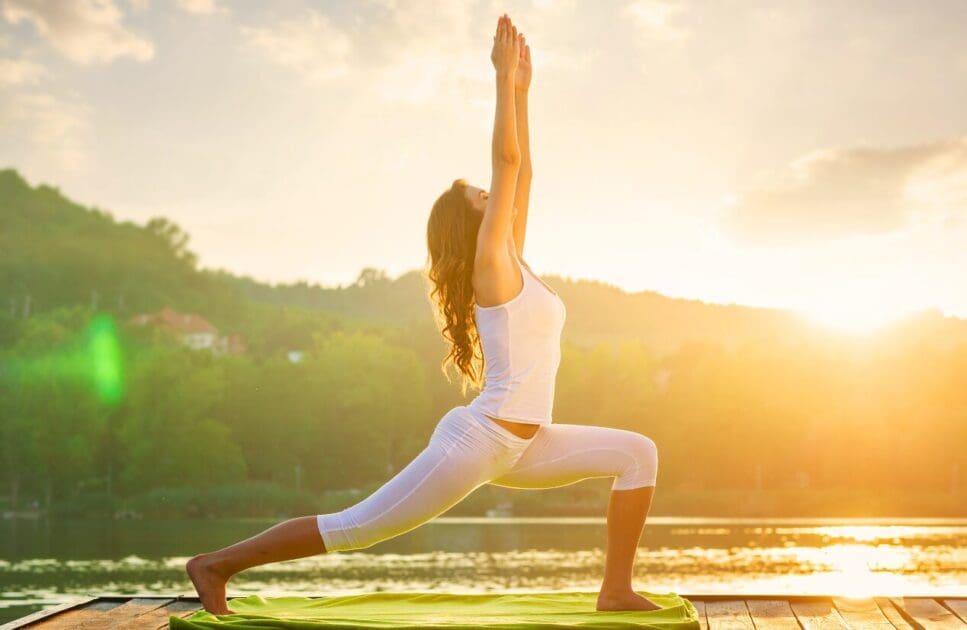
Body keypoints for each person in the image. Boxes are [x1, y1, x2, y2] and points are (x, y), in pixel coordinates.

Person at [186, 13, 660, 615]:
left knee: (637, 453)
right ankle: (215, 564)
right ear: (471, 225)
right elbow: (508, 164)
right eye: (481, 197)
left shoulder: (516, 259)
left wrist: (523, 93)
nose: (495, 197)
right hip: (480, 440)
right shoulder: (492, 266)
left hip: (528, 442)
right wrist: (498, 80)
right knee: (355, 526)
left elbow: (525, 170)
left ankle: (615, 590)